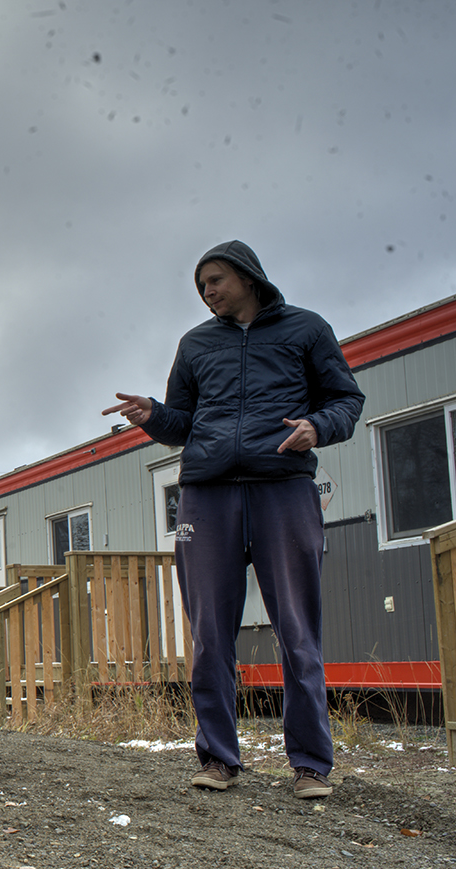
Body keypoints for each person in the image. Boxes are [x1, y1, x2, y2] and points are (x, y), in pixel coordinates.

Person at [104, 241, 364, 799]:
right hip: (207, 495)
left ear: (247, 277)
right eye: (201, 287)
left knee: (297, 631)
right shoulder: (195, 344)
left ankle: (311, 765)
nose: (208, 292)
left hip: (283, 489)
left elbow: (345, 399)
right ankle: (218, 758)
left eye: (216, 280)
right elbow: (183, 422)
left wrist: (318, 427)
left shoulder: (306, 329)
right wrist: (153, 416)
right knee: (210, 636)